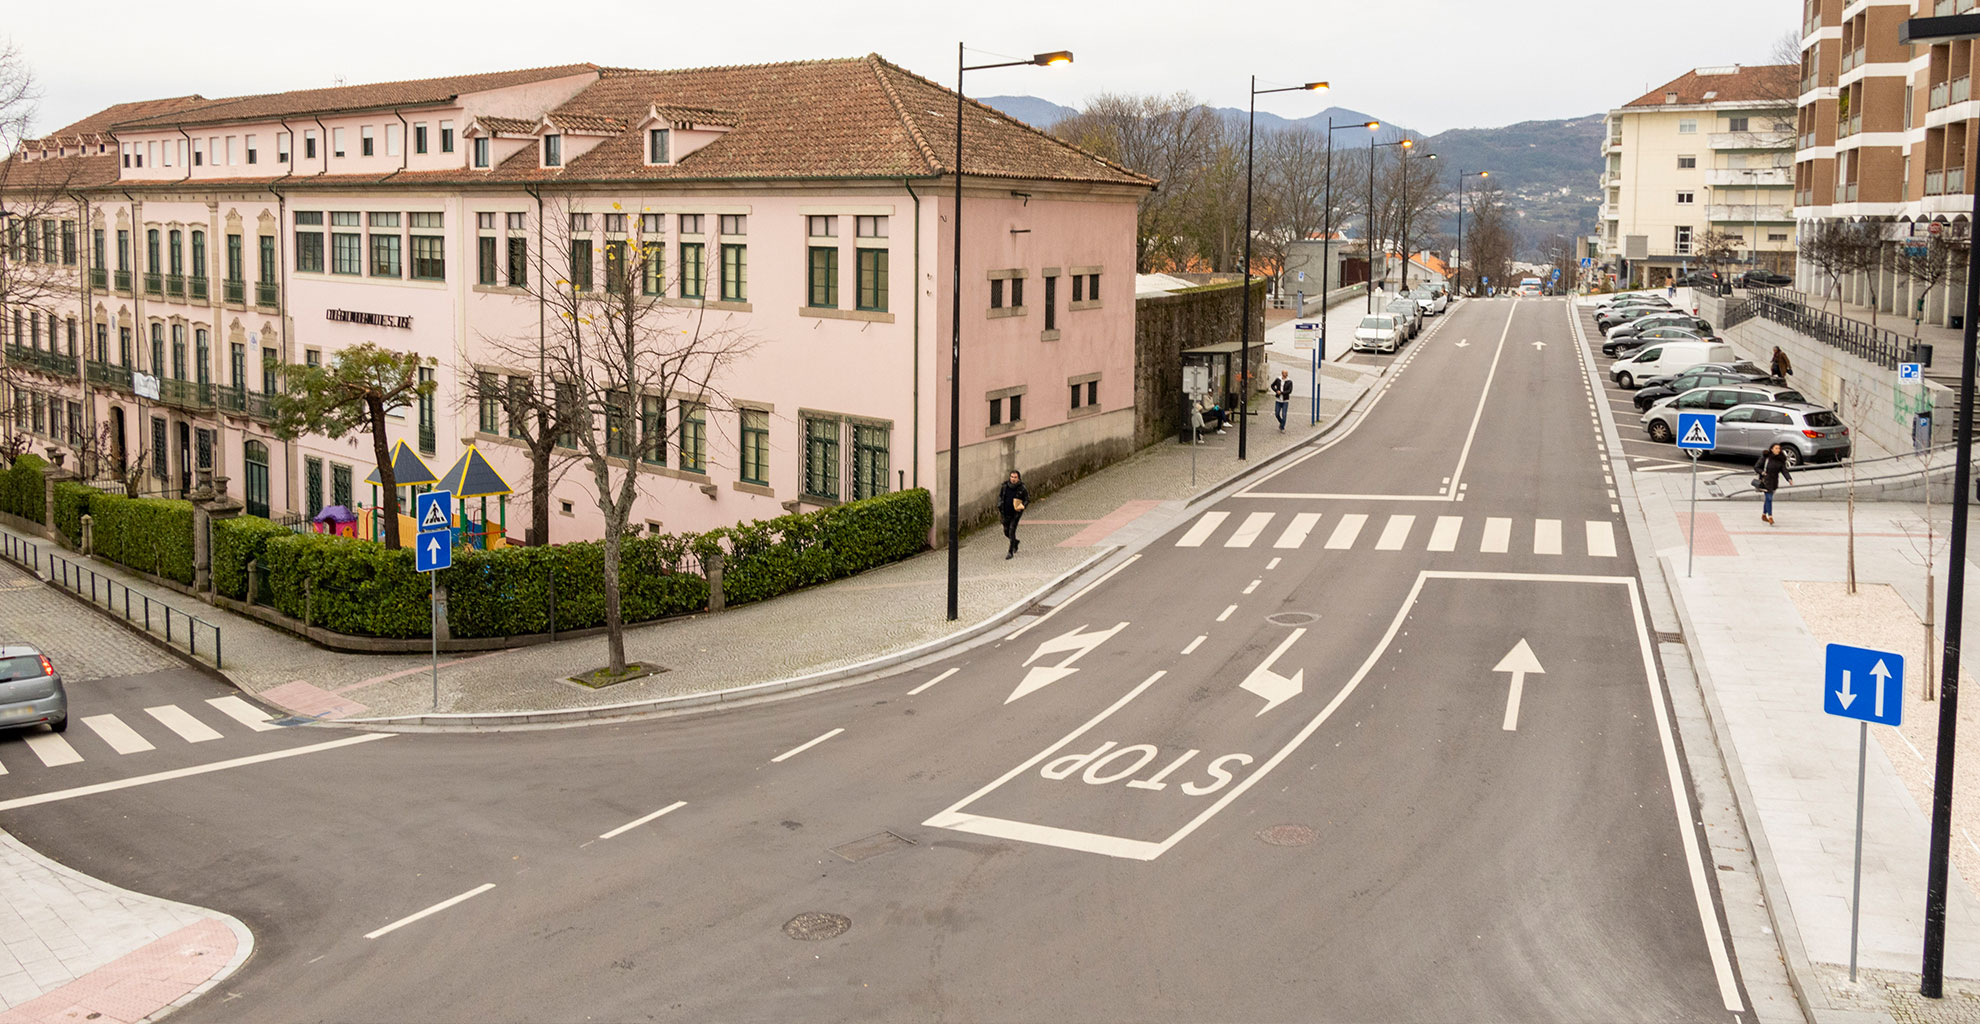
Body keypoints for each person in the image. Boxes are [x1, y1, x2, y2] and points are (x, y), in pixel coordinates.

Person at [1754, 443, 1793, 526]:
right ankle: (1770, 516)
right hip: (1765, 481)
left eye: (1779, 448)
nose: (1778, 450)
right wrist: (1762, 472)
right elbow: (1756, 467)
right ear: (1771, 449)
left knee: (1768, 499)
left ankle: (1764, 515)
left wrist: (1789, 478)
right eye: (1776, 448)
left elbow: (1784, 470)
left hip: (1774, 482)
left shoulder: (1780, 460)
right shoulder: (1765, 457)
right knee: (1769, 498)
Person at [999, 469, 1029, 559]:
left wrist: (1022, 506)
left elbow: (1027, 499)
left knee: (1012, 531)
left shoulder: (1022, 488)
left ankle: (1010, 551)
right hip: (1005, 512)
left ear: (1018, 478)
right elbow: (1001, 497)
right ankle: (1015, 542)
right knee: (1006, 531)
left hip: (1015, 513)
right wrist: (999, 505)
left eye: (1015, 477)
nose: (1013, 479)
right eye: (1012, 477)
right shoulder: (1005, 487)